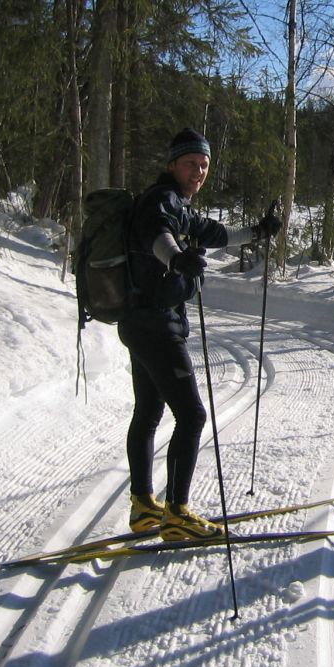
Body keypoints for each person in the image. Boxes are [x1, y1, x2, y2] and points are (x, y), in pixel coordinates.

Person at [119, 128, 281, 541]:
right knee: (192, 416)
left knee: (149, 412)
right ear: (172, 164)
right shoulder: (162, 201)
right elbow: (158, 235)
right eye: (191, 163)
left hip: (140, 321)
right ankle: (177, 513)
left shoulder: (179, 206)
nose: (199, 171)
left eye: (205, 164)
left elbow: (217, 234)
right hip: (156, 325)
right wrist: (176, 260)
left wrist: (259, 231)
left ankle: (143, 506)